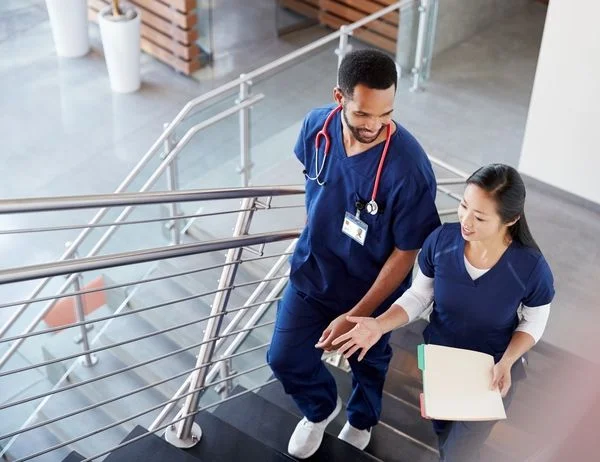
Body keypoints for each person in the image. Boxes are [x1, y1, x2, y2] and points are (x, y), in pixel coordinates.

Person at [266, 48, 441, 459]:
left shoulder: (409, 168)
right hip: (313, 272)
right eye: (363, 114)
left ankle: (362, 418)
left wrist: (360, 314)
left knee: (369, 362)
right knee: (283, 357)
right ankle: (321, 408)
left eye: (386, 114)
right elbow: (315, 182)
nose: (375, 126)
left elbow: (406, 251)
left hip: (372, 291)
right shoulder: (316, 127)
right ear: (339, 97)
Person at [333, 163, 555, 461]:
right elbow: (419, 295)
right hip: (441, 362)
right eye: (464, 205)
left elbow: (534, 320)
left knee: (461, 452)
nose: (466, 220)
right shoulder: (441, 242)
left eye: (479, 217)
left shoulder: (530, 269)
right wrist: (379, 325)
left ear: (511, 219)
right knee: (443, 432)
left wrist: (508, 360)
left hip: (491, 372)